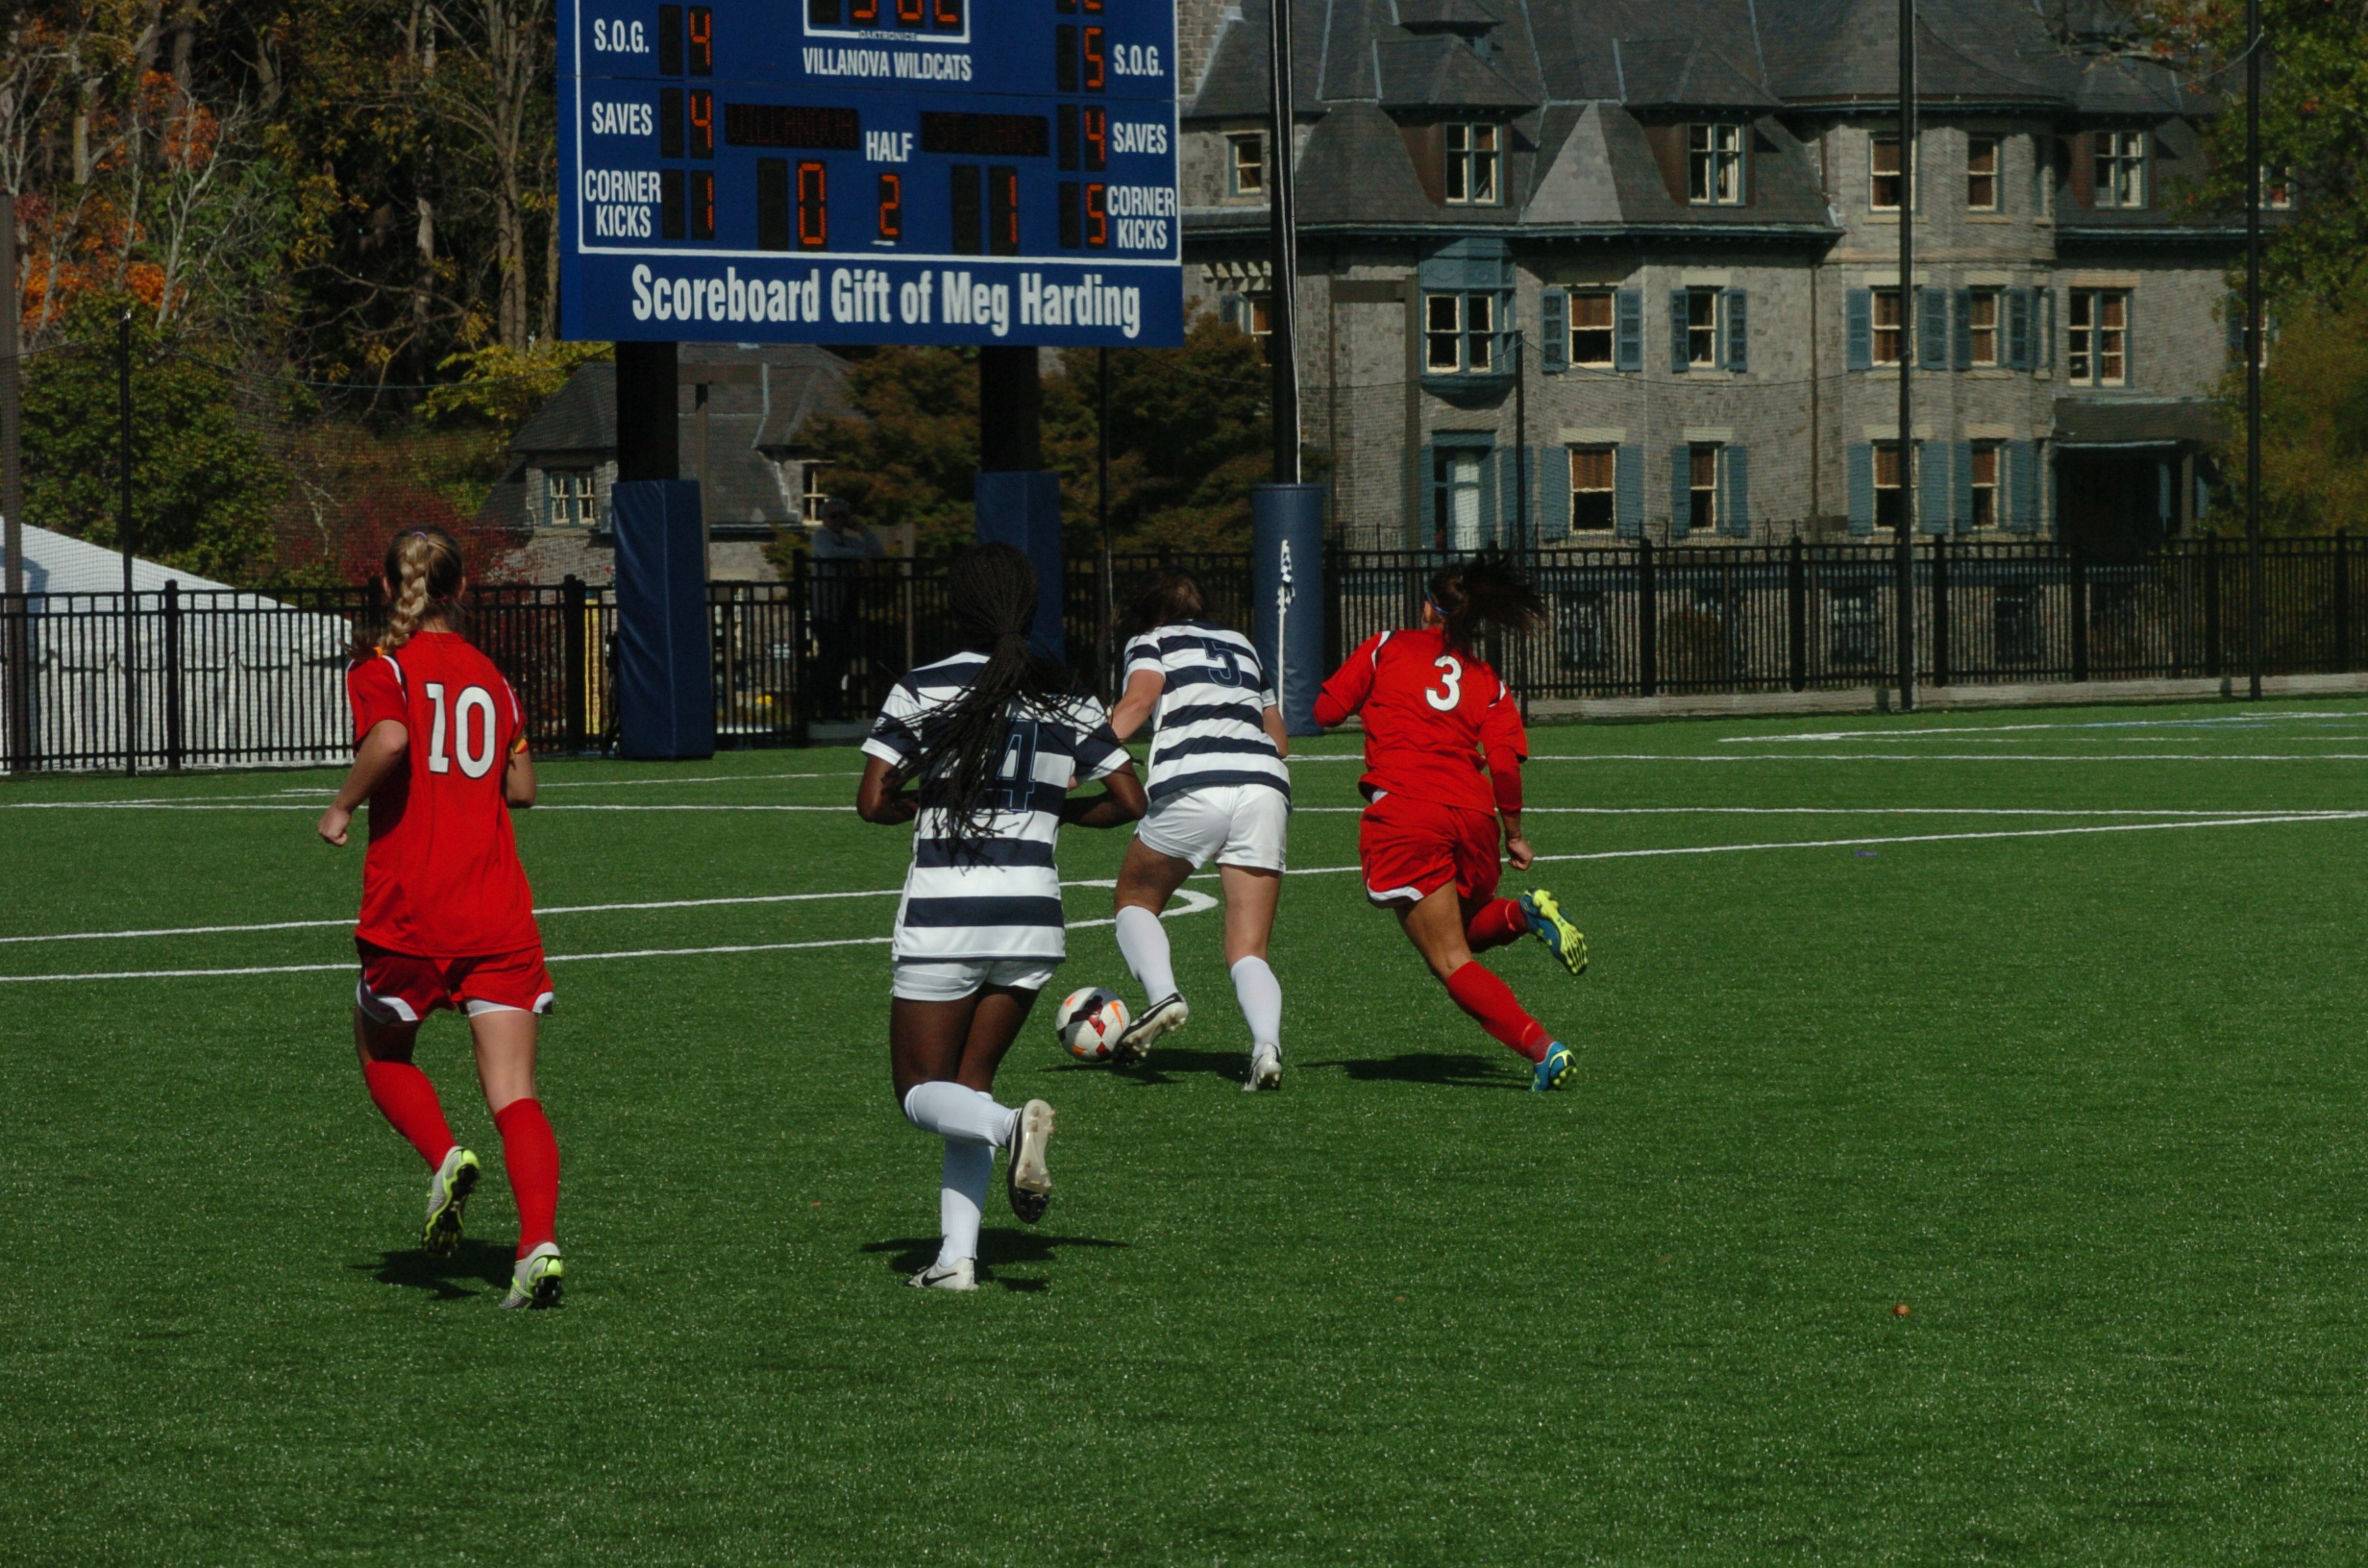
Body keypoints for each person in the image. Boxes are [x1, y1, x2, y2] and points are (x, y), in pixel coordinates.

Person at [856, 543, 1147, 1291]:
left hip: (947, 916)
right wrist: (1054, 811)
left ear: (958, 607)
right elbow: (1130, 801)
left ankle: (1010, 1127)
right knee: (969, 1086)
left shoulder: (923, 686)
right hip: (1032, 919)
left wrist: (927, 803)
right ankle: (956, 1260)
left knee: (919, 1093)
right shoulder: (1065, 694)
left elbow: (872, 801)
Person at [315, 526, 566, 1310]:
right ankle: (537, 1247)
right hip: (497, 910)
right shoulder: (493, 677)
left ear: (390, 588)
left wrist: (342, 805)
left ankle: (446, 1156)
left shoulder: (382, 666)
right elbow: (522, 789)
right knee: (515, 1093)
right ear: (459, 588)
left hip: (412, 910)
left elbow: (391, 737)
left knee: (382, 1052)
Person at [1311, 560, 1589, 1092]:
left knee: (1449, 958)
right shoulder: (1487, 679)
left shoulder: (1386, 646)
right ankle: (1523, 914)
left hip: (1408, 811)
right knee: (1462, 929)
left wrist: (1372, 700)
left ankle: (1543, 1049)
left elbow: (1324, 712)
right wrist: (1514, 835)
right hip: (1474, 816)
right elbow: (1503, 765)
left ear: (1427, 607)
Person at [1102, 572, 1292, 1089]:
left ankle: (1162, 994)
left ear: (1151, 609)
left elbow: (1139, 703)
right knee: (1248, 949)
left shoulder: (1152, 640)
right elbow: (1278, 739)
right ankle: (1266, 1046)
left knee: (1135, 900)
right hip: (1264, 787)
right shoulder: (1243, 645)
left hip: (1194, 783)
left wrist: (1084, 758)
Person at [806, 497, 887, 722]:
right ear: (824, 519)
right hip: (825, 607)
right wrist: (861, 557)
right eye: (833, 516)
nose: (838, 520)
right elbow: (827, 553)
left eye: (843, 515)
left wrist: (863, 530)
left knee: (841, 657)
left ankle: (832, 708)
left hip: (846, 605)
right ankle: (816, 705)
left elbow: (878, 553)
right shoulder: (821, 536)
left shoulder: (851, 541)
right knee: (829, 656)